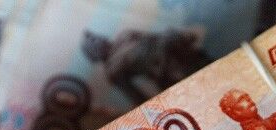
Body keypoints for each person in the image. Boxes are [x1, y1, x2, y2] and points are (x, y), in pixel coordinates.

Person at [82, 28, 210, 106]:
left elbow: (152, 35)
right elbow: (136, 96)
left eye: (95, 38)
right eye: (92, 44)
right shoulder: (112, 70)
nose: (97, 41)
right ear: (93, 56)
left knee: (172, 39)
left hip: (172, 46)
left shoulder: (124, 35)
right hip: (163, 69)